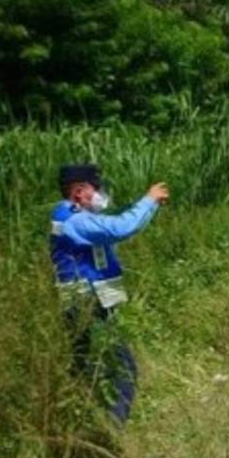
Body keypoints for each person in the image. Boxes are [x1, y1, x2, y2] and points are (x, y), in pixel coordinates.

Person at [51, 164, 169, 423]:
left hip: (80, 302)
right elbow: (120, 228)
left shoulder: (67, 215)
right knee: (124, 368)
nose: (100, 193)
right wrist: (149, 200)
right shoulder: (77, 220)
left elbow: (116, 235)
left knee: (81, 366)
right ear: (80, 192)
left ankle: (74, 420)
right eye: (96, 188)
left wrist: (151, 207)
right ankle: (112, 433)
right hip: (90, 304)